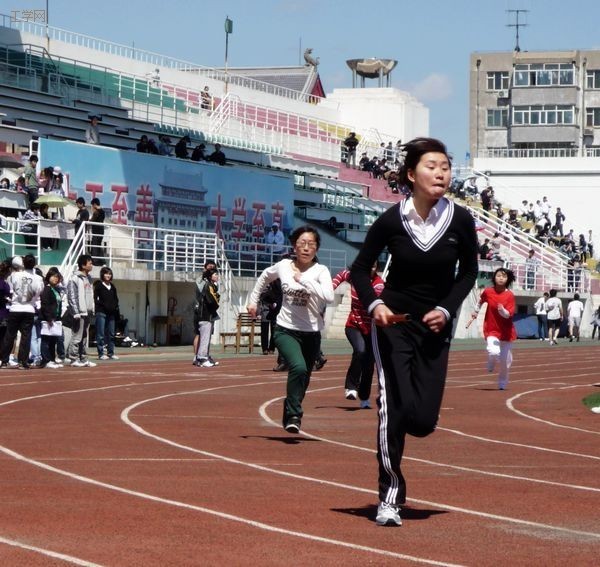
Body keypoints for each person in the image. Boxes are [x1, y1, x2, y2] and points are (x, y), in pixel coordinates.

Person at [349, 137, 478, 527]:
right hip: (394, 325)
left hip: (435, 328)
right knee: (393, 407)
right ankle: (389, 496)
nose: (440, 174)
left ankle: (401, 421)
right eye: (431, 167)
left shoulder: (460, 220)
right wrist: (376, 305)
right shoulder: (392, 220)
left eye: (445, 167)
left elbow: (468, 272)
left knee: (421, 421)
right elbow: (360, 269)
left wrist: (446, 309)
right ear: (411, 174)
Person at [247, 226, 334, 434]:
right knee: (299, 367)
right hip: (285, 329)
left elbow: (329, 296)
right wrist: (253, 301)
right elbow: (264, 277)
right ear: (294, 246)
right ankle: (295, 414)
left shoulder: (321, 271)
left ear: (317, 248)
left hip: (311, 333)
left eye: (311, 244)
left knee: (304, 378)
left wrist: (303, 279)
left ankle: (290, 409)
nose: (306, 248)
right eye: (302, 243)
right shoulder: (284, 266)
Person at [333, 262, 384, 408]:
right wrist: (331, 288)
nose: (369, 269)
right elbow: (342, 275)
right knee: (360, 350)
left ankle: (364, 398)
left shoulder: (379, 285)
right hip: (353, 325)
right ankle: (351, 387)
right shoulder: (354, 276)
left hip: (371, 330)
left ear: (376, 269)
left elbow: (374, 301)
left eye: (373, 267)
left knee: (369, 365)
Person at [471, 268, 517, 390]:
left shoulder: (509, 295)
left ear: (508, 279)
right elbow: (480, 301)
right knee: (494, 351)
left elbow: (509, 315)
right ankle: (491, 361)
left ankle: (502, 382)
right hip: (492, 328)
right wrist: (476, 311)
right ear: (494, 277)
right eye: (498, 276)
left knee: (505, 362)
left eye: (504, 276)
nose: (501, 278)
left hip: (506, 332)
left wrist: (503, 311)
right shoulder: (488, 292)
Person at [0, 255, 44, 370]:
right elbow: (39, 292)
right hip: (29, 309)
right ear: (34, 264)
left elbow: (11, 290)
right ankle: (22, 362)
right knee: (26, 336)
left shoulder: (14, 275)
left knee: (9, 335)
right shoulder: (38, 278)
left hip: (15, 308)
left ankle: (4, 361)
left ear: (23, 263)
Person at [66, 254, 96, 367]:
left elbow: (91, 295)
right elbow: (72, 296)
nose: (91, 265)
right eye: (90, 263)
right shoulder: (75, 278)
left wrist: (92, 308)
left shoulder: (89, 279)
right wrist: (75, 312)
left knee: (84, 337)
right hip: (79, 312)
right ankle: (73, 359)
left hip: (87, 312)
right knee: (77, 336)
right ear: (83, 265)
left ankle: (83, 358)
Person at [193, 268, 220, 367]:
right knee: (205, 338)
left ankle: (201, 358)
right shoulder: (208, 286)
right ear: (210, 276)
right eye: (215, 274)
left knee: (206, 338)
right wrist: (217, 302)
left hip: (207, 315)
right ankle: (202, 358)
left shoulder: (211, 286)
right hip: (205, 315)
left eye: (217, 274)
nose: (217, 276)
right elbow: (212, 301)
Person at [39, 267, 64, 369]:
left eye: (57, 277)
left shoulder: (56, 289)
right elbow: (45, 305)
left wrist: (57, 317)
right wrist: (49, 318)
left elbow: (58, 304)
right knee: (46, 340)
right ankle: (46, 360)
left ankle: (52, 359)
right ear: (48, 277)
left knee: (53, 340)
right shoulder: (46, 289)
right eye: (53, 276)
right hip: (47, 319)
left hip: (56, 318)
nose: (55, 279)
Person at [94, 266, 120, 360]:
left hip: (111, 313)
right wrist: (102, 306)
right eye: (106, 274)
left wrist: (114, 307)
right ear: (102, 275)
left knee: (111, 334)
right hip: (101, 313)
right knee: (100, 334)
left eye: (109, 274)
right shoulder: (99, 286)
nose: (108, 275)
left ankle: (111, 353)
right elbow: (96, 299)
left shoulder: (112, 287)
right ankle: (101, 354)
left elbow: (116, 299)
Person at [259, 279, 282, 355]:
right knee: (264, 331)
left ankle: (272, 348)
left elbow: (280, 296)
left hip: (275, 311)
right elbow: (261, 296)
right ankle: (264, 349)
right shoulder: (265, 284)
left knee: (274, 330)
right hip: (265, 310)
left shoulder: (278, 284)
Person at [90, 198, 106, 265]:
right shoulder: (100, 212)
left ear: (94, 204)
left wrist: (88, 221)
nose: (92, 207)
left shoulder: (98, 212)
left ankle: (95, 261)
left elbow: (92, 220)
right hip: (99, 231)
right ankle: (102, 261)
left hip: (97, 231)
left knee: (95, 246)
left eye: (92, 205)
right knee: (98, 245)